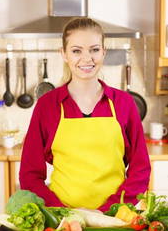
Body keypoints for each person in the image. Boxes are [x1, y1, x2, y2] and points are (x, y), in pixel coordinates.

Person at [19, 17, 151, 212]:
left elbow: (141, 169)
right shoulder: (48, 106)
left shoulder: (124, 103)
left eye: (94, 49)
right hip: (62, 220)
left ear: (104, 52)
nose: (87, 58)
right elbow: (29, 175)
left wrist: (110, 210)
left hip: (115, 218)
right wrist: (61, 212)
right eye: (76, 51)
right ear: (63, 54)